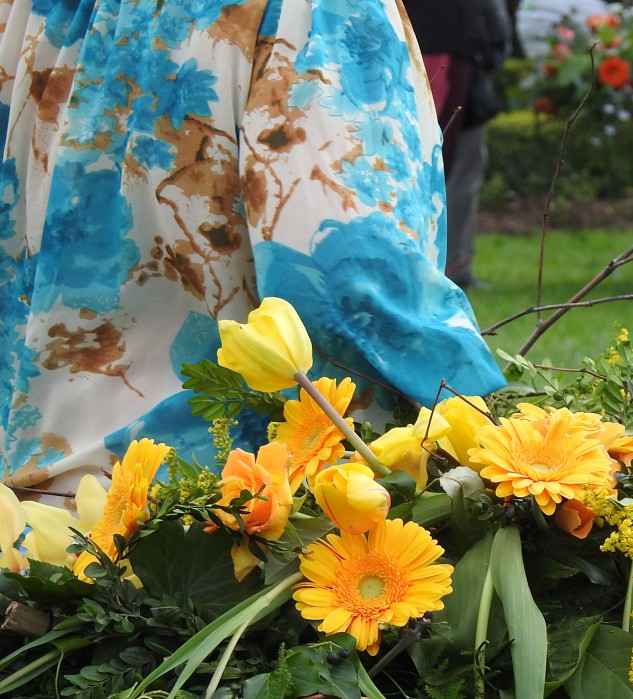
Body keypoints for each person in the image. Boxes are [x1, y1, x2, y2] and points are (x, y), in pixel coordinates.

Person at [0, 0, 507, 498]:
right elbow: (345, 280)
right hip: (225, 512)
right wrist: (490, 439)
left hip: (28, 513)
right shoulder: (317, 9)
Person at [407, 0, 512, 291]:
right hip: (440, 53)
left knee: (458, 167)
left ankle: (451, 265)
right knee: (436, 169)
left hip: (453, 53)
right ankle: (444, 267)